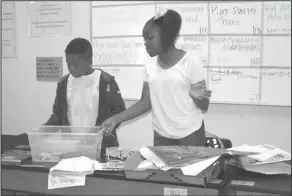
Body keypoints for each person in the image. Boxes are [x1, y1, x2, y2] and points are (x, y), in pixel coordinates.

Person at [101, 10, 212, 147]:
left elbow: (205, 105)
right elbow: (145, 102)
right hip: (162, 135)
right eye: (144, 39)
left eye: (150, 37)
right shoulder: (149, 66)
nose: (146, 43)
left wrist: (196, 96)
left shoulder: (191, 62)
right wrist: (115, 119)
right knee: (161, 169)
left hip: (190, 134)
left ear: (166, 36)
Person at [44, 38, 126, 158]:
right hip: (71, 148)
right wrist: (43, 131)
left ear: (90, 60)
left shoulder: (105, 81)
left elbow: (118, 112)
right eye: (68, 64)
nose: (71, 69)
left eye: (76, 65)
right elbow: (58, 114)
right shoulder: (64, 84)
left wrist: (100, 132)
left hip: (101, 148)